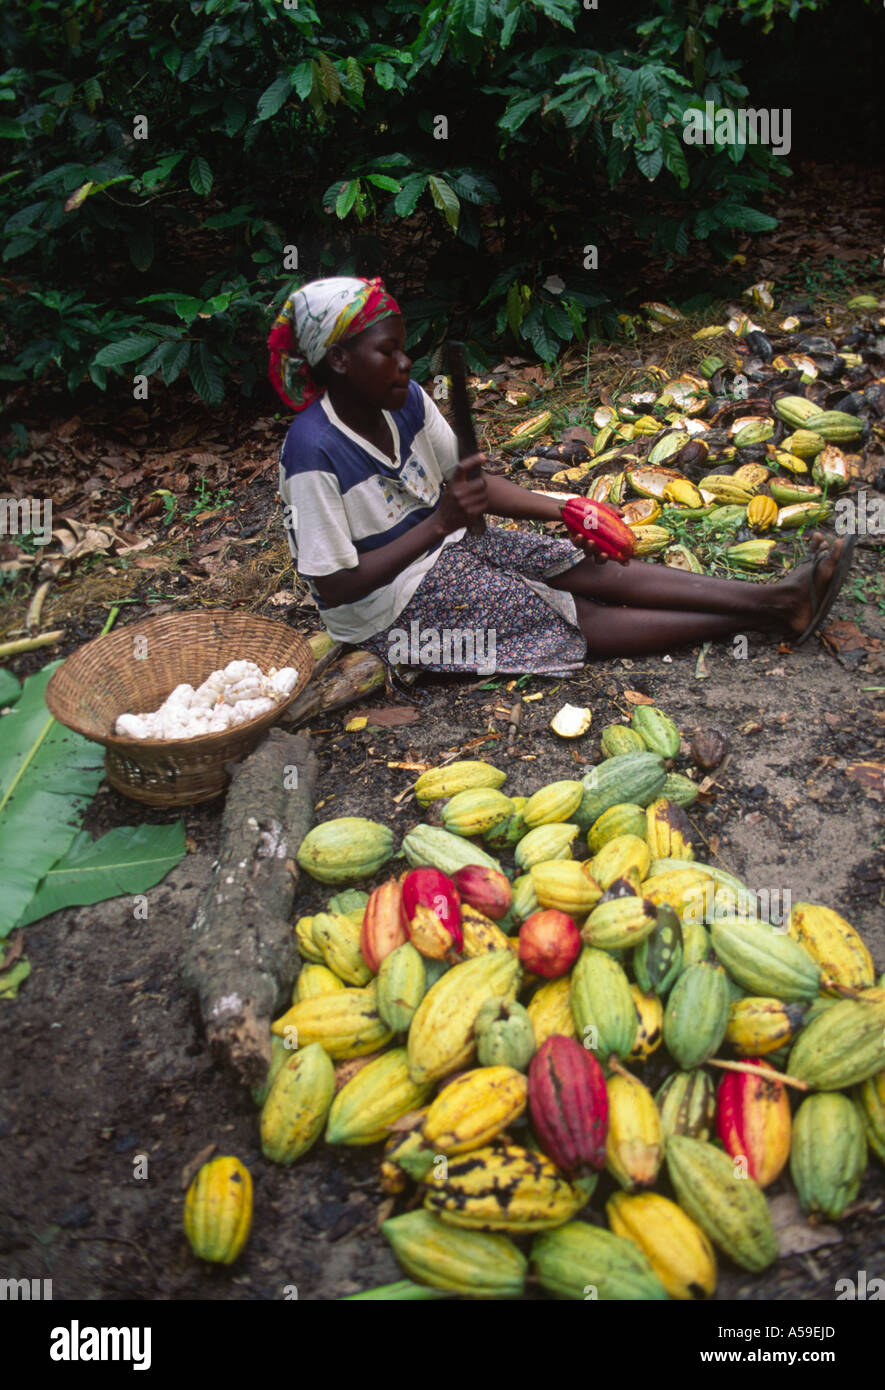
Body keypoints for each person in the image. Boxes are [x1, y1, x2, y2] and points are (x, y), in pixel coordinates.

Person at [269, 275, 856, 677]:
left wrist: (564, 509)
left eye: (403, 350)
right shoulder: (312, 452)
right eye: (386, 353)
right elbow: (336, 587)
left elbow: (477, 489)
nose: (403, 363)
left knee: (587, 567)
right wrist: (440, 524)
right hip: (386, 610)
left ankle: (778, 597)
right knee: (559, 611)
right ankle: (777, 608)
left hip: (448, 547)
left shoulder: (408, 402)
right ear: (339, 361)